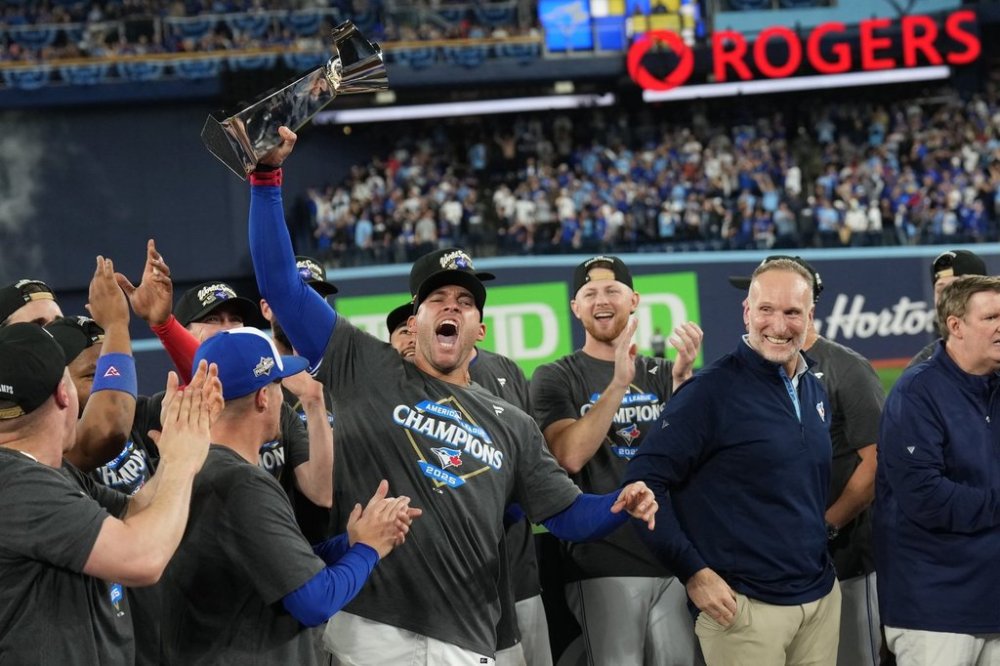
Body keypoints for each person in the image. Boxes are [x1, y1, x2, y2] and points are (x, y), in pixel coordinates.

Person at [247, 125, 659, 665]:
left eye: (465, 303)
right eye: (436, 298)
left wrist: (617, 504)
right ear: (413, 320)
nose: (451, 308)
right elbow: (280, 284)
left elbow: (567, 515)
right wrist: (266, 180)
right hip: (371, 626)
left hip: (466, 638)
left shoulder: (511, 424)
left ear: (480, 329)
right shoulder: (363, 363)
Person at [625, 258, 841, 666]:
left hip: (818, 601)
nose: (779, 325)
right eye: (766, 310)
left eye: (793, 312)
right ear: (747, 312)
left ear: (810, 316)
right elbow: (643, 482)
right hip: (744, 609)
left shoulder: (813, 388)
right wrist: (693, 571)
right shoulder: (710, 391)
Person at [159, 326, 418, 664]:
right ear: (263, 397)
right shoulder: (242, 483)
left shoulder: (196, 467)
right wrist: (371, 548)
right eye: (278, 385)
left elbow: (278, 561)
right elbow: (314, 602)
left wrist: (349, 542)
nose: (283, 397)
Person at [0, 322, 220, 664]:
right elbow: (142, 559)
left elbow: (132, 512)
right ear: (63, 393)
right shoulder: (17, 486)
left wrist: (177, 442)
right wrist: (182, 462)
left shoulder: (43, 470)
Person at [530, 254, 703, 666]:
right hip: (601, 561)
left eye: (612, 290)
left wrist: (682, 385)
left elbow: (691, 463)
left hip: (670, 556)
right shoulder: (556, 376)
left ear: (634, 299)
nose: (600, 300)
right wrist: (620, 383)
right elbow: (569, 456)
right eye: (589, 293)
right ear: (575, 307)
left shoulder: (666, 372)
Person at [729, 256, 884, 666]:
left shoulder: (846, 369)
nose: (774, 317)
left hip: (846, 559)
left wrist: (827, 525)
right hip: (772, 564)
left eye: (788, 306)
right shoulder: (744, 373)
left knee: (854, 657)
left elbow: (876, 463)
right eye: (764, 303)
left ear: (807, 306)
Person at [875, 275, 1000, 665]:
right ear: (956, 326)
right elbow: (927, 499)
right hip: (935, 610)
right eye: (992, 317)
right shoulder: (917, 392)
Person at [907, 249, 987, 368]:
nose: (948, 298)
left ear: (985, 291)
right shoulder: (920, 369)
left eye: (958, 287)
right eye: (941, 290)